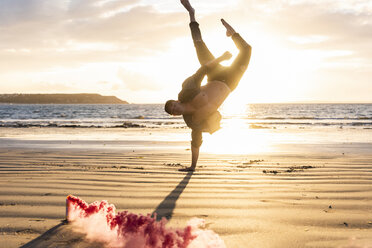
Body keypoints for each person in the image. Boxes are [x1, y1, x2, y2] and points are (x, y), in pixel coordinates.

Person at [164, 0, 252, 171]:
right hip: (231, 82)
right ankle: (230, 34)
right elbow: (196, 142)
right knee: (247, 50)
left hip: (214, 73)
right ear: (175, 115)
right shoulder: (193, 121)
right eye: (174, 110)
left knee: (199, 44)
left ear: (177, 101)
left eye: (174, 104)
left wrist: (220, 59)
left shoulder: (186, 93)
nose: (176, 108)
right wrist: (192, 167)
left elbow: (201, 71)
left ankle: (191, 12)